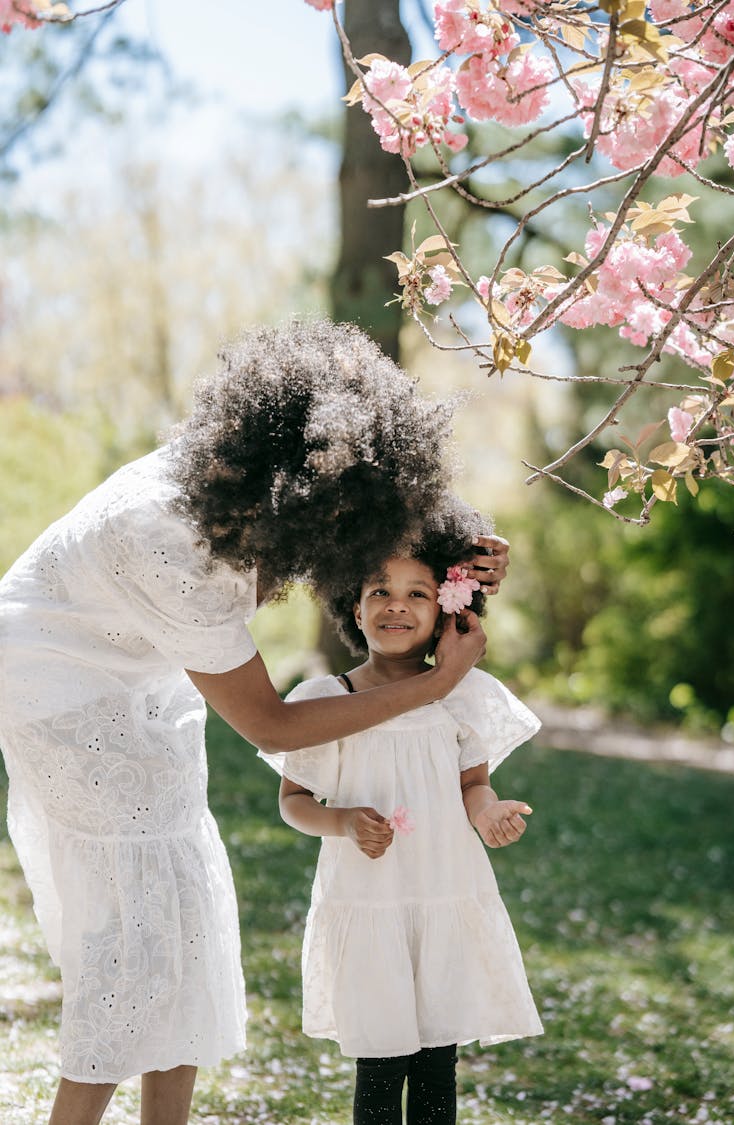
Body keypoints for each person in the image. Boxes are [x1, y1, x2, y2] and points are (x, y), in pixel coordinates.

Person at [0, 318, 508, 1125]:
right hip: (57, 691)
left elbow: (389, 538)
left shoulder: (248, 489)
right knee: (133, 946)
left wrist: (459, 550)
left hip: (141, 674)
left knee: (186, 922)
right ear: (309, 487)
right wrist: (433, 685)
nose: (351, 548)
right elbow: (271, 725)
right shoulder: (172, 539)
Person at [261, 498, 543, 1125]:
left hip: (444, 889)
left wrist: (488, 812)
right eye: (379, 590)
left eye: (418, 593)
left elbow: (473, 784)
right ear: (352, 606)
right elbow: (294, 802)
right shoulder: (323, 700)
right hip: (367, 900)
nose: (396, 604)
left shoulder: (461, 696)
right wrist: (340, 822)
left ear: (447, 609)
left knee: (438, 1062)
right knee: (382, 1063)